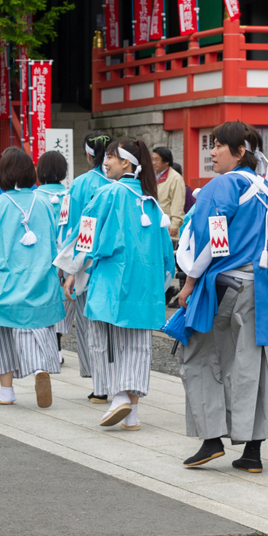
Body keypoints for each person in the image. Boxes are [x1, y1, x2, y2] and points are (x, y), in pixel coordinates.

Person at [174, 121, 268, 473]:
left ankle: (211, 439)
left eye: (218, 146)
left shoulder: (223, 185)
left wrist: (190, 281)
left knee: (200, 357)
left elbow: (212, 239)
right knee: (252, 366)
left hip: (223, 285)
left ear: (239, 151)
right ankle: (252, 453)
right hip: (263, 290)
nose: (211, 152)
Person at [59, 138, 174, 431]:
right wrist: (159, 286)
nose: (105, 162)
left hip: (111, 283)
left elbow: (87, 237)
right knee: (136, 347)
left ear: (125, 162)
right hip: (144, 286)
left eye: (110, 157)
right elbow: (165, 256)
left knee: (106, 343)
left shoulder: (107, 194)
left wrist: (73, 271)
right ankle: (131, 413)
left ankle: (119, 396)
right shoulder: (151, 202)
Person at [0, 147, 65, 407]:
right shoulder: (43, 202)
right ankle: (40, 367)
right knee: (36, 326)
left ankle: (6, 391)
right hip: (40, 278)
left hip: (1, 281)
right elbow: (55, 238)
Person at [62, 131, 113, 400]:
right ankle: (119, 377)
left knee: (87, 322)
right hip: (117, 261)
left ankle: (99, 383)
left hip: (86, 259)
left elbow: (75, 226)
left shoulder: (81, 184)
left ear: (87, 154)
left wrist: (69, 266)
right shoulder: (124, 185)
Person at [35, 150, 72, 358]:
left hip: (43, 260)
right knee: (63, 301)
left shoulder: (34, 197)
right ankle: (58, 346)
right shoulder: (70, 195)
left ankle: (47, 347)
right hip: (66, 260)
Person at [152, 146, 186, 245]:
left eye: (156, 160)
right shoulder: (151, 176)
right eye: (153, 159)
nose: (153, 162)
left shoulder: (175, 178)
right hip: (154, 223)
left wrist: (175, 225)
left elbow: (177, 203)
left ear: (166, 161)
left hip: (167, 226)